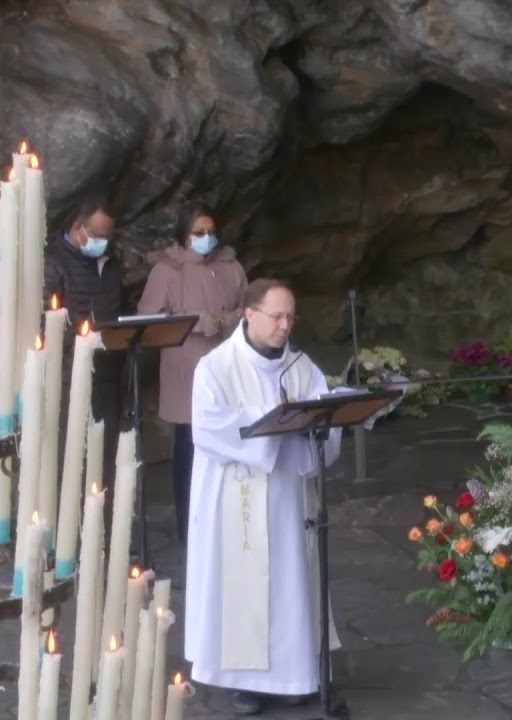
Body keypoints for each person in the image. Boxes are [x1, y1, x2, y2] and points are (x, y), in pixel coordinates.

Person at [184, 278, 342, 716]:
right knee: (243, 584)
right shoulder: (215, 368)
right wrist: (273, 422)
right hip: (238, 502)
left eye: (291, 316)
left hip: (289, 499)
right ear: (248, 314)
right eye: (276, 316)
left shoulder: (301, 368)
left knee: (291, 579)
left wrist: (322, 424)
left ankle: (295, 675)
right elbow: (210, 428)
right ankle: (244, 682)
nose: (285, 325)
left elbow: (325, 417)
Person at [136, 202, 247, 545]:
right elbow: (148, 319)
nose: (206, 238)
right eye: (198, 233)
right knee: (188, 449)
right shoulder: (167, 271)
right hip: (187, 369)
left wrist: (229, 320)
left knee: (230, 447)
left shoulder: (230, 264)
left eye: (211, 231)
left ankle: (229, 527)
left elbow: (250, 306)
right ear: (183, 236)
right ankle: (190, 531)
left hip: (227, 365)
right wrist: (193, 320)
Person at [43, 195, 126, 530]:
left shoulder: (111, 262)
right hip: (69, 376)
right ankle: (69, 532)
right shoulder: (54, 264)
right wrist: (83, 337)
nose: (102, 242)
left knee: (105, 459)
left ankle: (101, 530)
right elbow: (47, 318)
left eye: (108, 236)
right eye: (97, 234)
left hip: (108, 374)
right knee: (70, 458)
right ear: (78, 228)